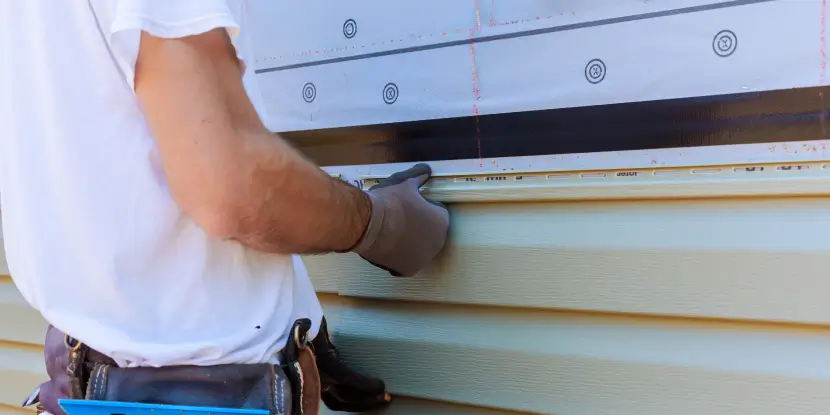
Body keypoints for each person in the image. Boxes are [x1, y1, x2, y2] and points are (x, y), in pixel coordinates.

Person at [1, 1, 451, 415]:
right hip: (194, 398)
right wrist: (379, 224)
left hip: (86, 384)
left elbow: (110, 173)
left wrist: (296, 316)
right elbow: (232, 189)